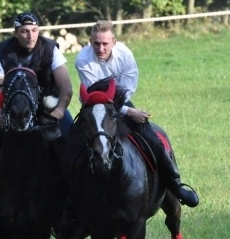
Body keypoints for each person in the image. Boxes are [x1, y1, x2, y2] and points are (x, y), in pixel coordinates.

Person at [0, 12, 74, 210]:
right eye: (24, 31)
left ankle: (74, 191)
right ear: (16, 32)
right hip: (12, 108)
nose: (30, 36)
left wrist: (60, 109)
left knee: (71, 134)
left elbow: (66, 88)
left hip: (47, 106)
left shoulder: (51, 50)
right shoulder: (3, 53)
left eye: (34, 31)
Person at [75, 20, 199, 208]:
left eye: (105, 44)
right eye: (96, 43)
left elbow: (125, 91)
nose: (100, 48)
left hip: (121, 103)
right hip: (94, 107)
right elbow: (96, 94)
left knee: (151, 137)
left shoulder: (125, 55)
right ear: (90, 42)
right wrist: (130, 112)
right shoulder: (82, 60)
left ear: (114, 42)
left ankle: (175, 185)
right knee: (71, 141)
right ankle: (68, 197)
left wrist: (126, 110)